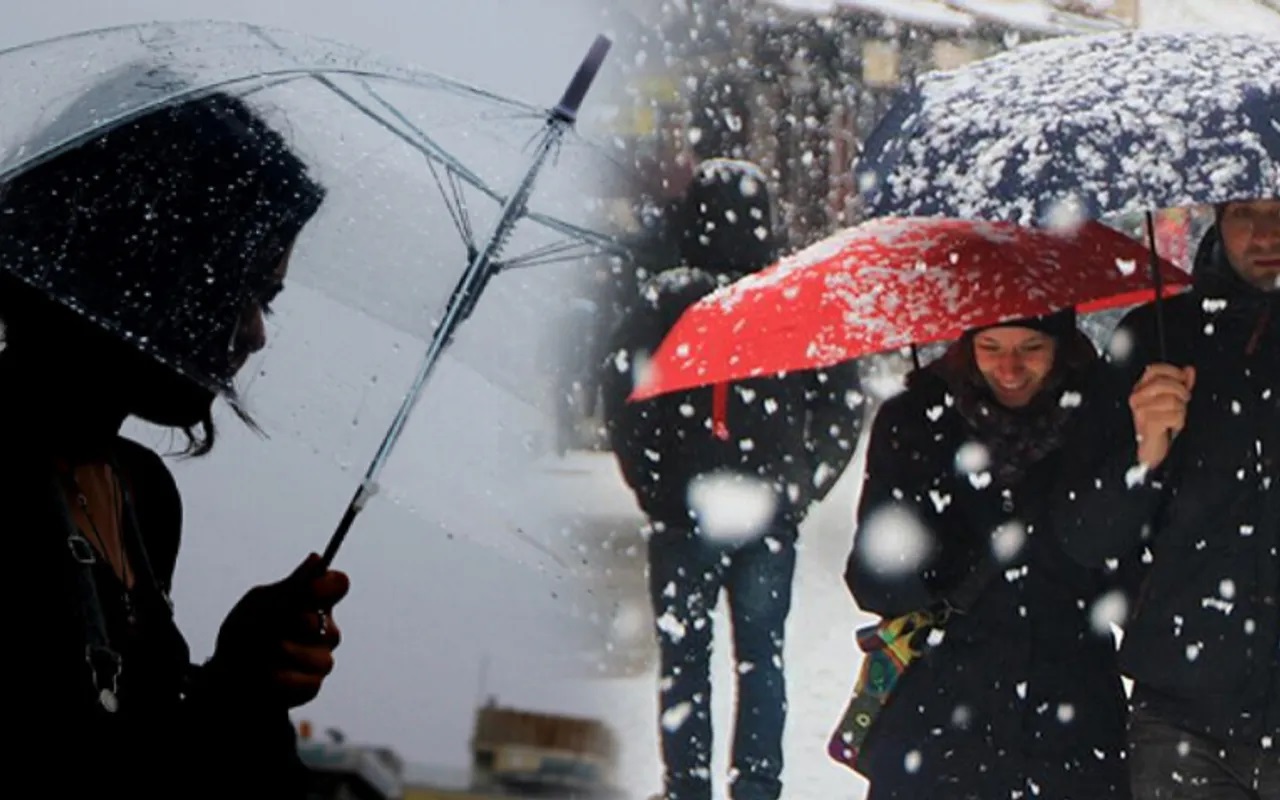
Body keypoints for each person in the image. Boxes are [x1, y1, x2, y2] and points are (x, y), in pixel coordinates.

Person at [0, 72, 347, 796]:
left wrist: (244, 681)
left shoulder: (141, 495)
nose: (254, 333)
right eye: (238, 287)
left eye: (270, 301)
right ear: (139, 261)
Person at [601, 158, 865, 800]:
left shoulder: (667, 299)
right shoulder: (792, 297)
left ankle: (687, 785)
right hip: (767, 509)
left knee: (685, 662)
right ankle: (757, 786)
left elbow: (623, 396)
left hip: (686, 510)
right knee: (761, 657)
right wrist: (803, 485)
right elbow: (842, 403)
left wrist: (655, 487)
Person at [846, 310, 1131, 800]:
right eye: (992, 347)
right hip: (940, 723)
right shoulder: (915, 422)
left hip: (1073, 726)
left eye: (1031, 347)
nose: (1010, 368)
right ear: (966, 348)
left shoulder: (1103, 421)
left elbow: (1121, 569)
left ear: (1063, 348)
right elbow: (872, 582)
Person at [1051, 198, 1279, 800]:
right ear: (1216, 219)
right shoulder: (1158, 338)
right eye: (1244, 212)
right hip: (1183, 713)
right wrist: (1144, 454)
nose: (1265, 232)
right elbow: (1084, 535)